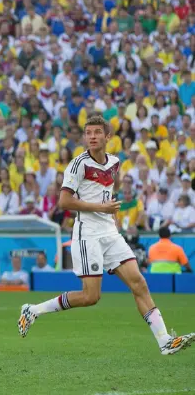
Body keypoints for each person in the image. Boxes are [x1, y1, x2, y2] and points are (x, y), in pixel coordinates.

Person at [18, 115, 195, 355]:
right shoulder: (78, 164)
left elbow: (106, 192)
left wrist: (111, 214)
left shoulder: (114, 162)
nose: (92, 137)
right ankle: (34, 310)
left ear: (107, 136)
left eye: (97, 132)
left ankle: (164, 340)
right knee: (92, 296)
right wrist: (102, 208)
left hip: (109, 232)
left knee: (139, 283)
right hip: (87, 233)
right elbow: (64, 201)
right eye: (88, 132)